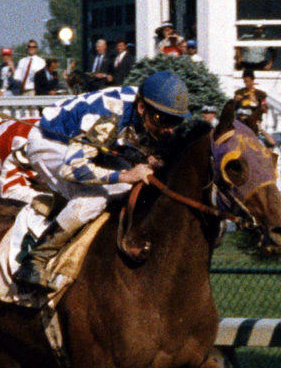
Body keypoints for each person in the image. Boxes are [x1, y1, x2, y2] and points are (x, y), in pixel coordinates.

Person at [19, 71, 190, 284]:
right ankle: (35, 260)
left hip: (90, 146)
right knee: (93, 199)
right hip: (51, 143)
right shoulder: (109, 115)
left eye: (175, 121)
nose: (168, 128)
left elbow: (126, 142)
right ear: (142, 108)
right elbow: (73, 168)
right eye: (161, 119)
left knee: (128, 190)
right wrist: (125, 174)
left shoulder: (142, 106)